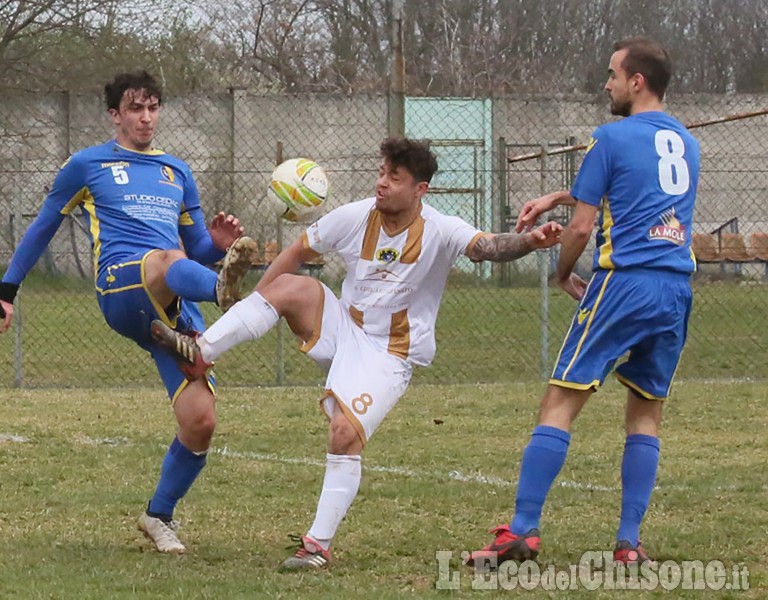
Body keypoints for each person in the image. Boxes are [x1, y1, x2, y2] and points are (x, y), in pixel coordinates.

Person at [150, 136, 563, 569]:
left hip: (390, 354)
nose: (382, 183)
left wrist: (531, 241)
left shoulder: (440, 228)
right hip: (344, 326)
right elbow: (295, 252)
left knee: (343, 434)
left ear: (420, 189)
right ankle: (202, 350)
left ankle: (316, 546)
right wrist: (254, 301)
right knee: (291, 286)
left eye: (394, 178)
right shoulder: (357, 215)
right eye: (381, 173)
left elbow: (488, 247)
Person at [0, 71, 259, 554]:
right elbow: (41, 227)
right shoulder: (87, 164)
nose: (145, 117)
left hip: (171, 299)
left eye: (153, 107)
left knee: (200, 421)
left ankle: (158, 515)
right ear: (115, 114)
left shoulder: (177, 172)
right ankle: (228, 298)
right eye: (135, 108)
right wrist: (7, 288)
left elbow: (196, 247)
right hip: (121, 286)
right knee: (167, 260)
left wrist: (217, 245)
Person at [465, 38, 700, 568]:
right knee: (645, 416)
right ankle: (629, 544)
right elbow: (640, 189)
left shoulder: (610, 138)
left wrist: (563, 272)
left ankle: (521, 532)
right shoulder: (687, 142)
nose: (607, 84)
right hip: (675, 289)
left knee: (560, 401)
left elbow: (582, 228)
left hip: (625, 284)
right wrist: (559, 193)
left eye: (613, 74)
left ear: (636, 81)